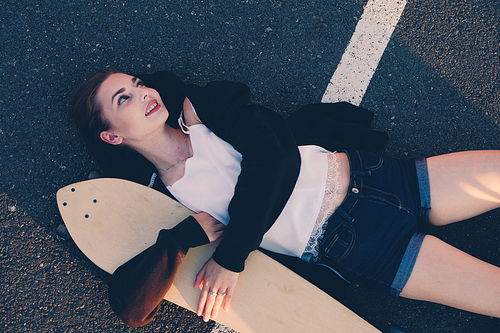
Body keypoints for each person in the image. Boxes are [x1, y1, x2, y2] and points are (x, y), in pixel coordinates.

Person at [70, 69, 500, 327]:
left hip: (381, 178)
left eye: (138, 83)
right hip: (363, 248)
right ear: (111, 135)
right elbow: (129, 308)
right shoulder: (162, 198)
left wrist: (231, 255)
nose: (144, 93)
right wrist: (180, 238)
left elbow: (273, 160)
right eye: (123, 98)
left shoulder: (202, 107)